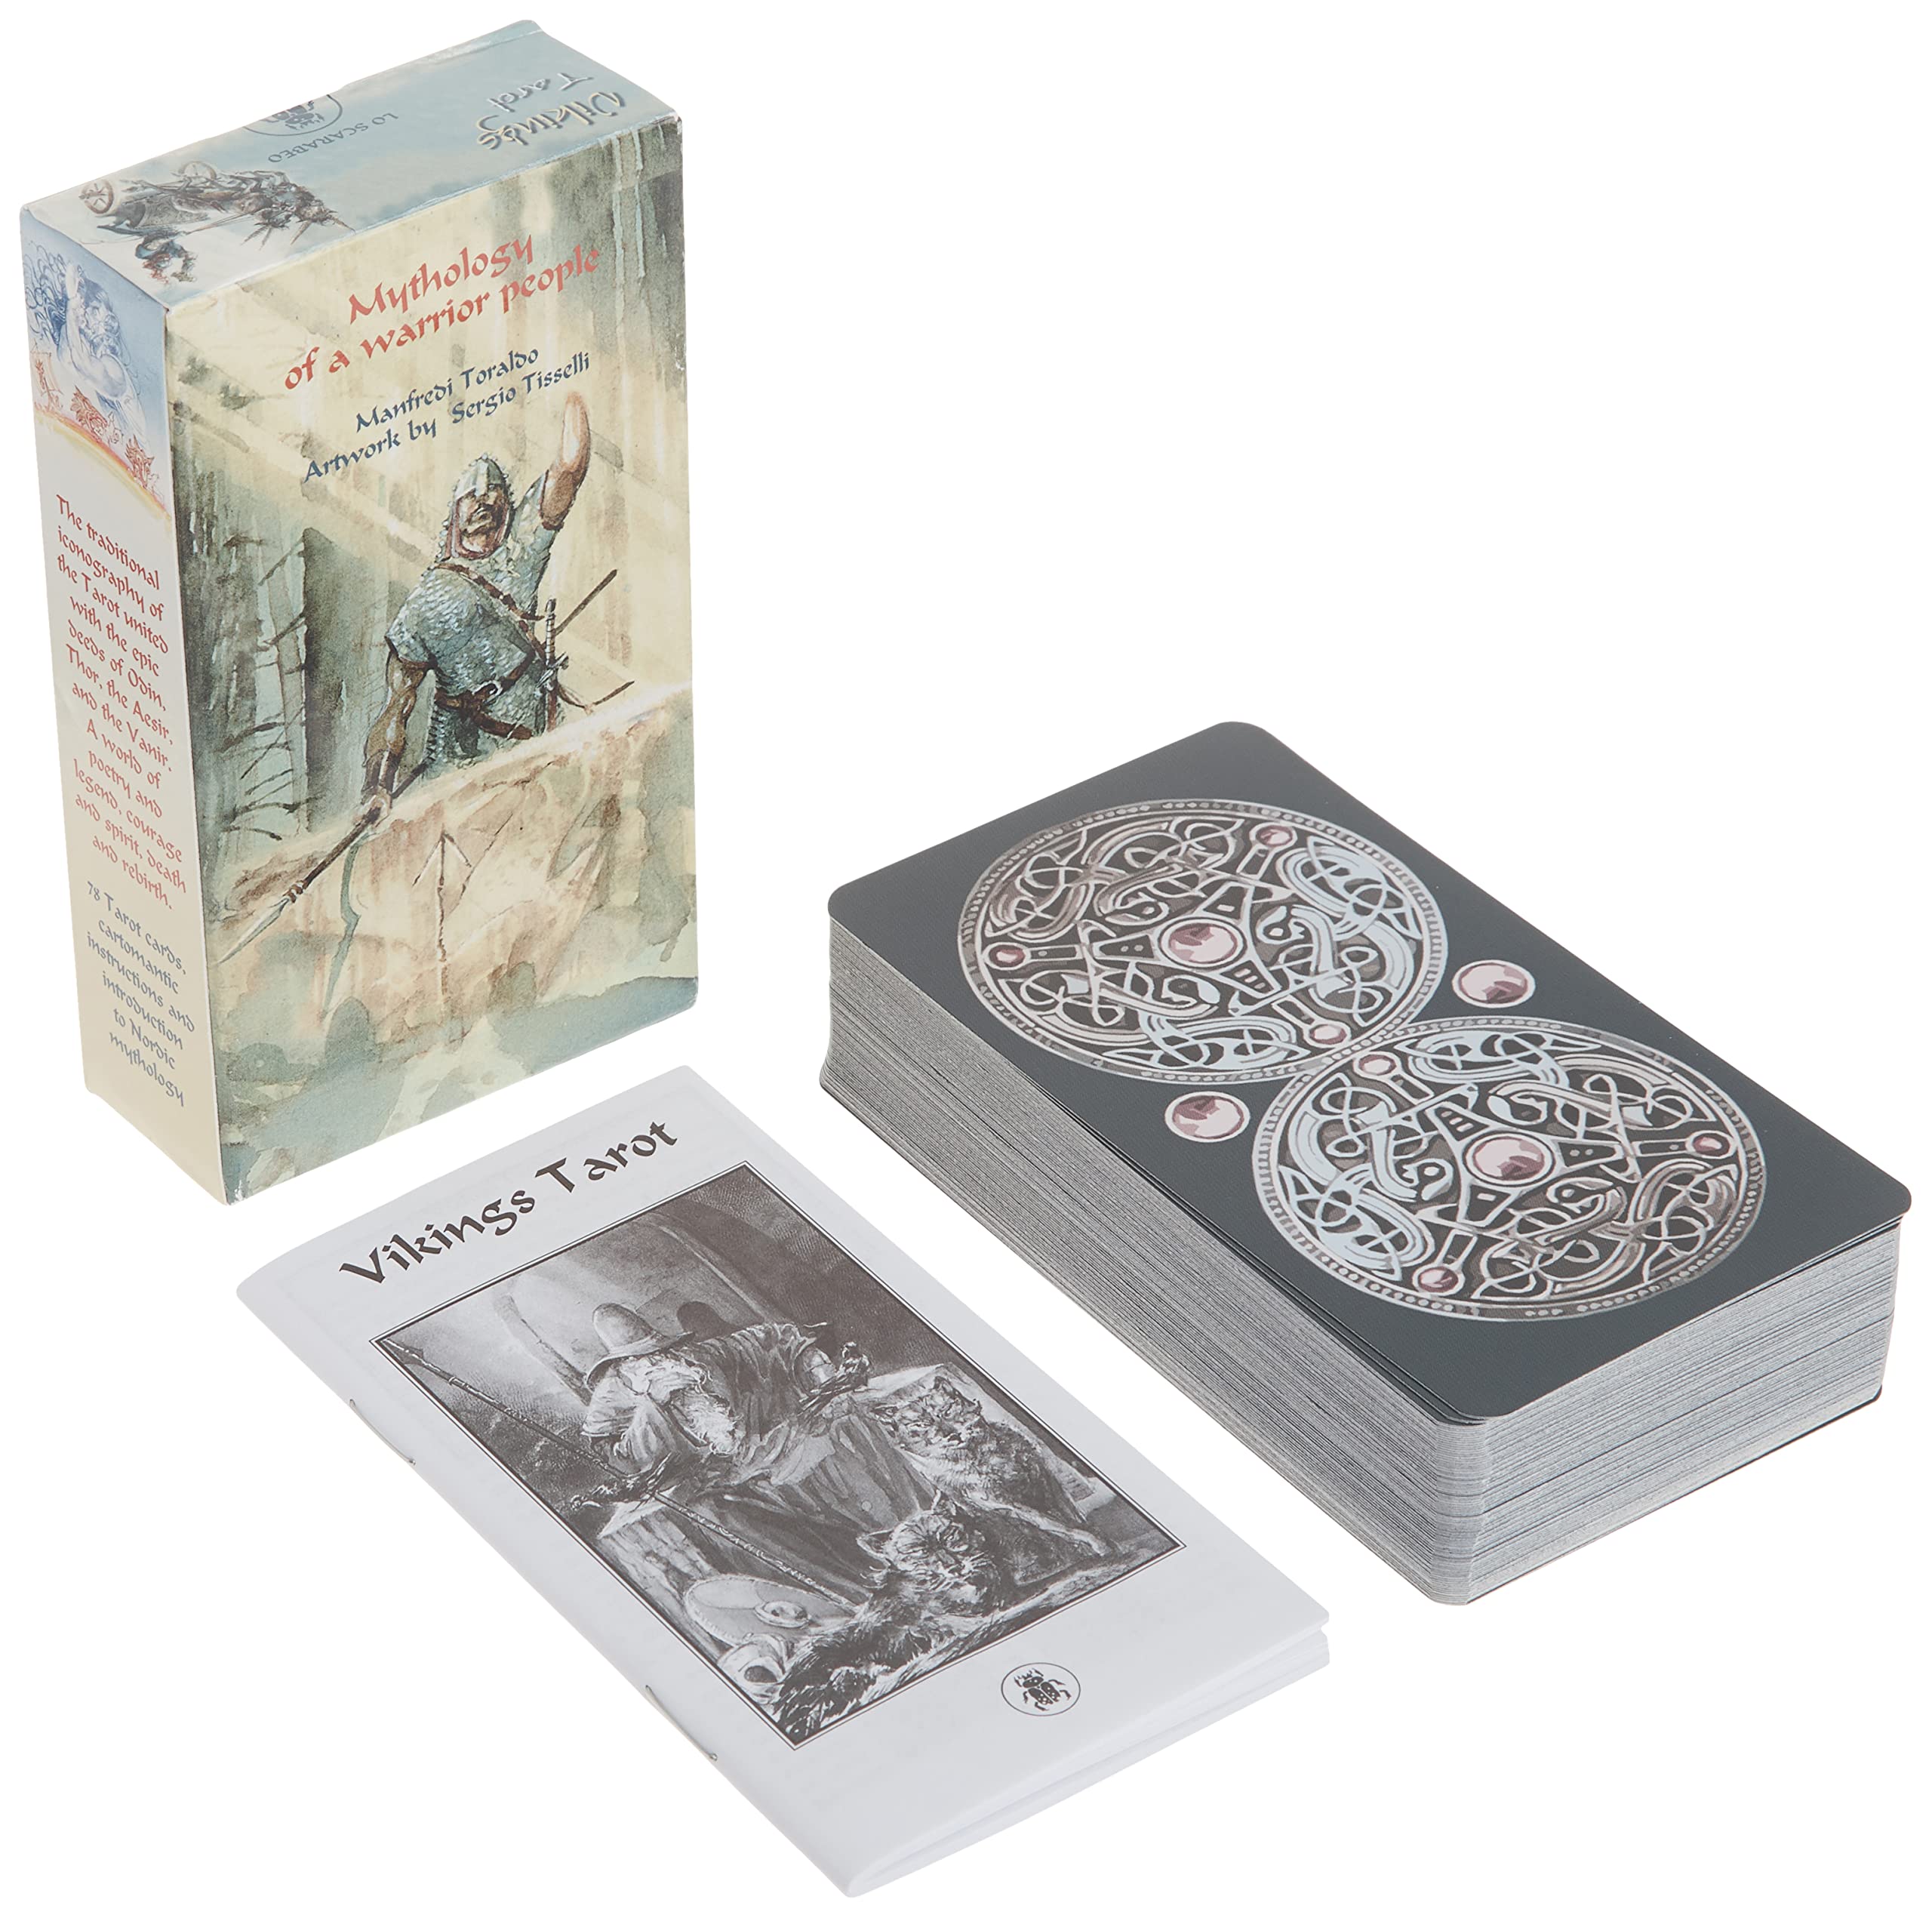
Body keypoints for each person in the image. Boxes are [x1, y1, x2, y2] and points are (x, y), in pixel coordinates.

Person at [578, 1302, 933, 1605]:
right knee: (736, 1517)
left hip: (755, 1450)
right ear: (622, 1363)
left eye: (657, 1351)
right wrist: (653, 1406)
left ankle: (912, 1538)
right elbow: (622, 1461)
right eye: (640, 1357)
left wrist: (809, 1359)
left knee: (836, 1435)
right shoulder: (611, 1398)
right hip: (708, 1478)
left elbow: (765, 1342)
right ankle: (853, 1586)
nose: (656, 1361)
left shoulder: (693, 1358)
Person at [361, 393, 591, 802]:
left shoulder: (521, 552)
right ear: (456, 513)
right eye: (472, 493)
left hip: (533, 750)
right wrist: (375, 789)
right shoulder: (425, 603)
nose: (484, 497)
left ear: (507, 503)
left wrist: (573, 395)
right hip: (457, 774)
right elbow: (397, 705)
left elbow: (569, 471)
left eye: (494, 489)